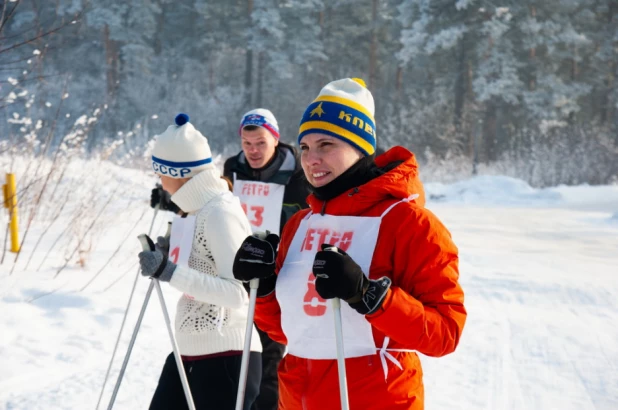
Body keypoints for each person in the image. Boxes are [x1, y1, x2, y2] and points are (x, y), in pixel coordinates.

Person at [232, 79, 467, 409]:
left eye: (327, 144)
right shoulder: (300, 224)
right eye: (306, 148)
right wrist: (262, 287)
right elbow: (292, 332)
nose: (312, 159)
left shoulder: (409, 223)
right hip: (295, 399)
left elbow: (445, 334)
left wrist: (370, 296)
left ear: (361, 148)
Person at [138, 113, 262, 410]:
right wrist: (168, 256)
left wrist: (169, 271)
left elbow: (237, 293)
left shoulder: (220, 212)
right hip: (189, 351)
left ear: (179, 173)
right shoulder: (193, 212)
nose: (161, 182)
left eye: (161, 173)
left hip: (226, 356)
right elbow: (198, 272)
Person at [223, 108, 310, 410]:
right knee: (235, 356)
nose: (253, 151)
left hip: (279, 276)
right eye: (247, 144)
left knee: (270, 355)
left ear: (275, 139)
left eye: (260, 142)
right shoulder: (232, 169)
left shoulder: (300, 175)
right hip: (236, 273)